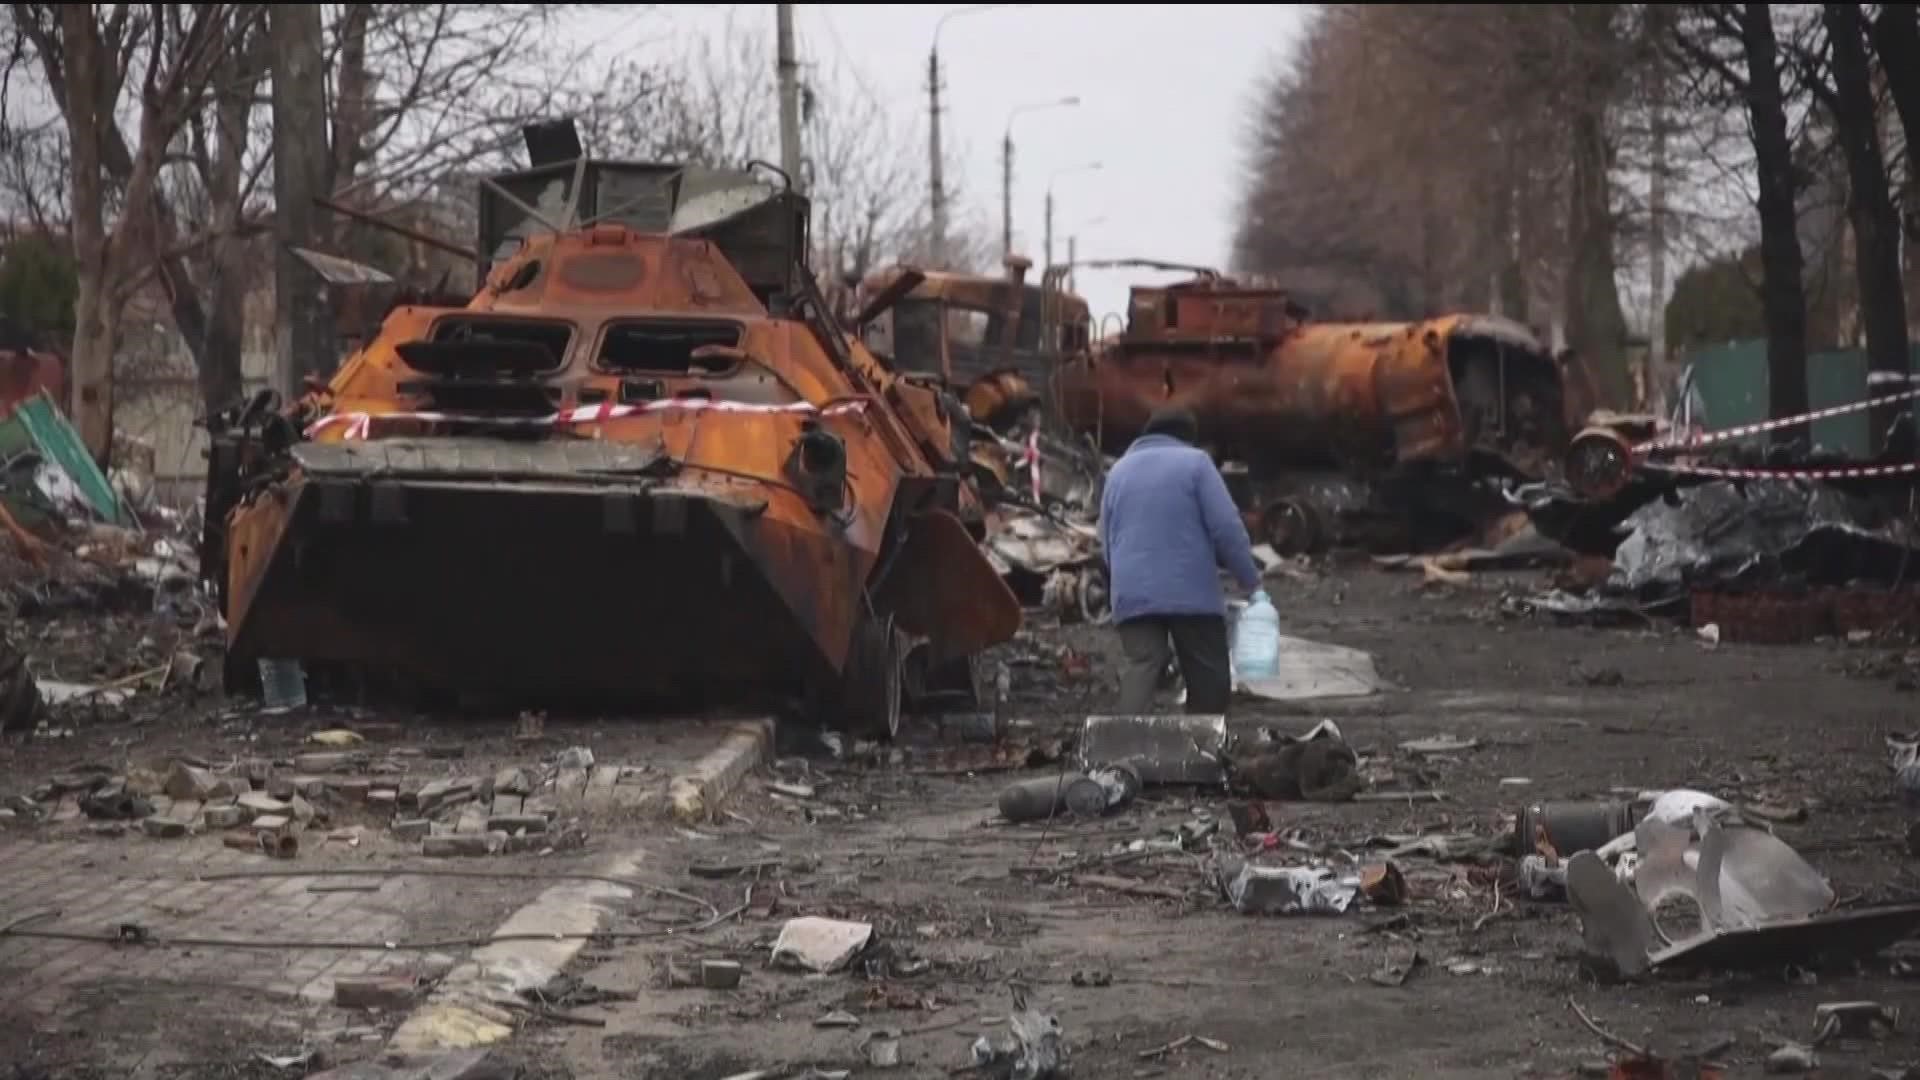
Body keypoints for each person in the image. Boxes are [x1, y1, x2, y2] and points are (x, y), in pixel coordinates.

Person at [1097, 406, 1264, 714]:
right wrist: (1250, 581)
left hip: (1132, 593)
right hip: (1191, 595)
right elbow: (1227, 528)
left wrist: (1120, 585)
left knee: (1142, 665)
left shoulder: (1118, 472)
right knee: (1206, 673)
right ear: (1188, 437)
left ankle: (1122, 746)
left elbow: (1105, 542)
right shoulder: (1196, 464)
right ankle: (1202, 745)